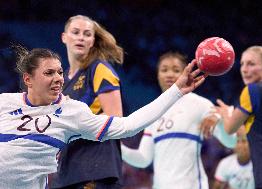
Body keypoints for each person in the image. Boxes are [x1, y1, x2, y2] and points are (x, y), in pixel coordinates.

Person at [0, 47, 205, 189]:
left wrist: (176, 90)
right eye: (49, 73)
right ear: (28, 79)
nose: (58, 79)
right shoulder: (4, 103)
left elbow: (129, 126)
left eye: (60, 72)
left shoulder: (72, 112)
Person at [121, 51, 237, 189]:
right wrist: (117, 146)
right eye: (164, 70)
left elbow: (231, 142)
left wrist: (223, 121)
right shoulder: (153, 111)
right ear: (158, 75)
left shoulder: (200, 105)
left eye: (176, 70)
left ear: (186, 74)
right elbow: (143, 159)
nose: (169, 74)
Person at [49, 15, 124, 189]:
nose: (81, 37)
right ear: (64, 37)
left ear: (92, 41)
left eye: (87, 34)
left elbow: (116, 119)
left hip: (95, 171)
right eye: (75, 32)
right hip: (68, 172)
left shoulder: (99, 69)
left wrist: (75, 128)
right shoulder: (63, 80)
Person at [215, 46, 262, 188]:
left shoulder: (253, 90)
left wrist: (225, 113)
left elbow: (229, 129)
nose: (244, 69)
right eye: (242, 64)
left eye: (251, 64)